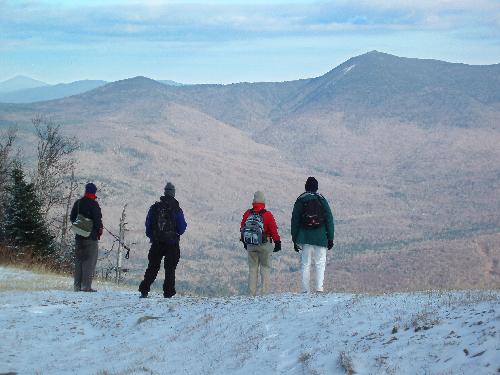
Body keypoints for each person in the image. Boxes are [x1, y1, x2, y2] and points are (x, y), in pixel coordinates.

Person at [139, 182, 187, 298]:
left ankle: (144, 289)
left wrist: (153, 237)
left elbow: (148, 224)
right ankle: (168, 292)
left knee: (153, 266)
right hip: (172, 244)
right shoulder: (177, 209)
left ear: (165, 192)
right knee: (170, 269)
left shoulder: (155, 208)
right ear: (173, 193)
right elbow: (181, 228)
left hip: (157, 242)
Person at [291, 177, 334, 293]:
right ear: (316, 188)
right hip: (321, 237)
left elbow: (295, 221)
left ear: (306, 187)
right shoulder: (322, 200)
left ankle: (305, 290)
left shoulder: (301, 200)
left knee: (305, 264)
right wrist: (330, 238)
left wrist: (295, 240)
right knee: (320, 263)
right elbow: (329, 219)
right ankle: (319, 288)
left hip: (305, 237)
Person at [240, 191, 281, 296]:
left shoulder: (247, 213)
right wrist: (277, 242)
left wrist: (245, 242)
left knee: (252, 269)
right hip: (264, 245)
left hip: (250, 245)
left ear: (253, 200)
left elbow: (242, 228)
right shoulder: (267, 214)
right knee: (265, 268)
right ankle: (264, 293)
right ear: (263, 201)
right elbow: (273, 230)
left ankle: (251, 294)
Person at [70, 182, 103, 292]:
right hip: (91, 238)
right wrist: (99, 231)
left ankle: (77, 286)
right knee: (89, 262)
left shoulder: (78, 203)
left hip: (79, 236)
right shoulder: (94, 205)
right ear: (94, 192)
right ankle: (86, 287)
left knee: (79, 261)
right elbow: (98, 222)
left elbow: (72, 218)